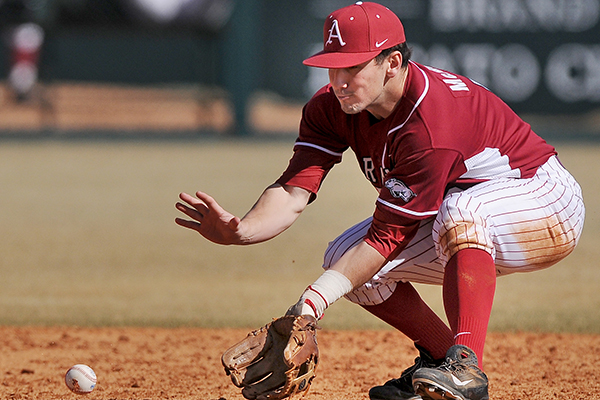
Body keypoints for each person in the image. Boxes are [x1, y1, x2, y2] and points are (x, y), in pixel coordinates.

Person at [175, 2, 585, 400]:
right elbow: (293, 191)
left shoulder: (430, 121)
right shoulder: (331, 108)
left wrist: (308, 305)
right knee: (344, 256)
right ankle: (442, 361)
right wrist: (243, 230)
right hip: (460, 203)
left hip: (543, 198)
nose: (339, 81)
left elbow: (387, 238)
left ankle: (465, 367)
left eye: (353, 67)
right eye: (333, 67)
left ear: (391, 62)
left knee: (462, 213)